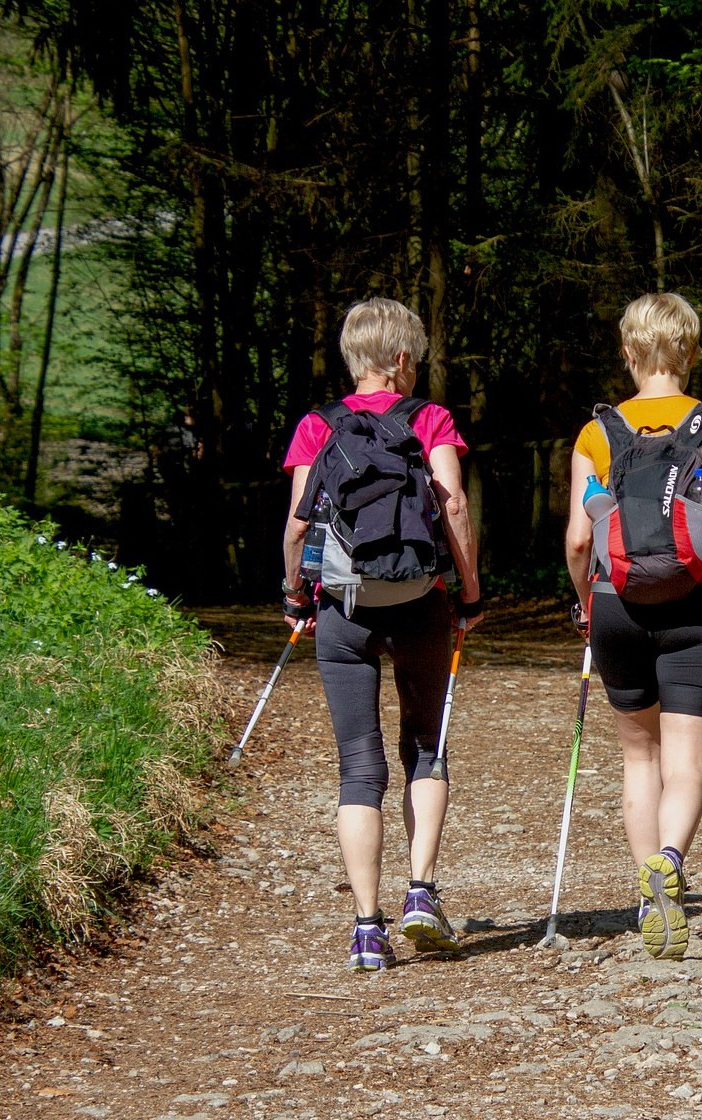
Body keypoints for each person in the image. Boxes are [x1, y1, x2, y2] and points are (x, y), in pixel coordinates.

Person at [280, 297, 485, 972]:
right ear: (402, 359)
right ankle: (420, 892)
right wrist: (470, 590)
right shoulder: (429, 420)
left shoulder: (318, 426)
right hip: (420, 600)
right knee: (425, 746)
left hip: (343, 608)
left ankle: (367, 929)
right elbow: (451, 506)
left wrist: (295, 592)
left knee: (358, 766)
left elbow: (300, 525)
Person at [563, 292, 702, 960]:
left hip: (614, 605)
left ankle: (649, 890)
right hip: (691, 607)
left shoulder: (596, 434)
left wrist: (583, 606)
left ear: (628, 354)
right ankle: (672, 859)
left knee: (637, 756)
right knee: (685, 764)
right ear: (690, 352)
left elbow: (576, 539)